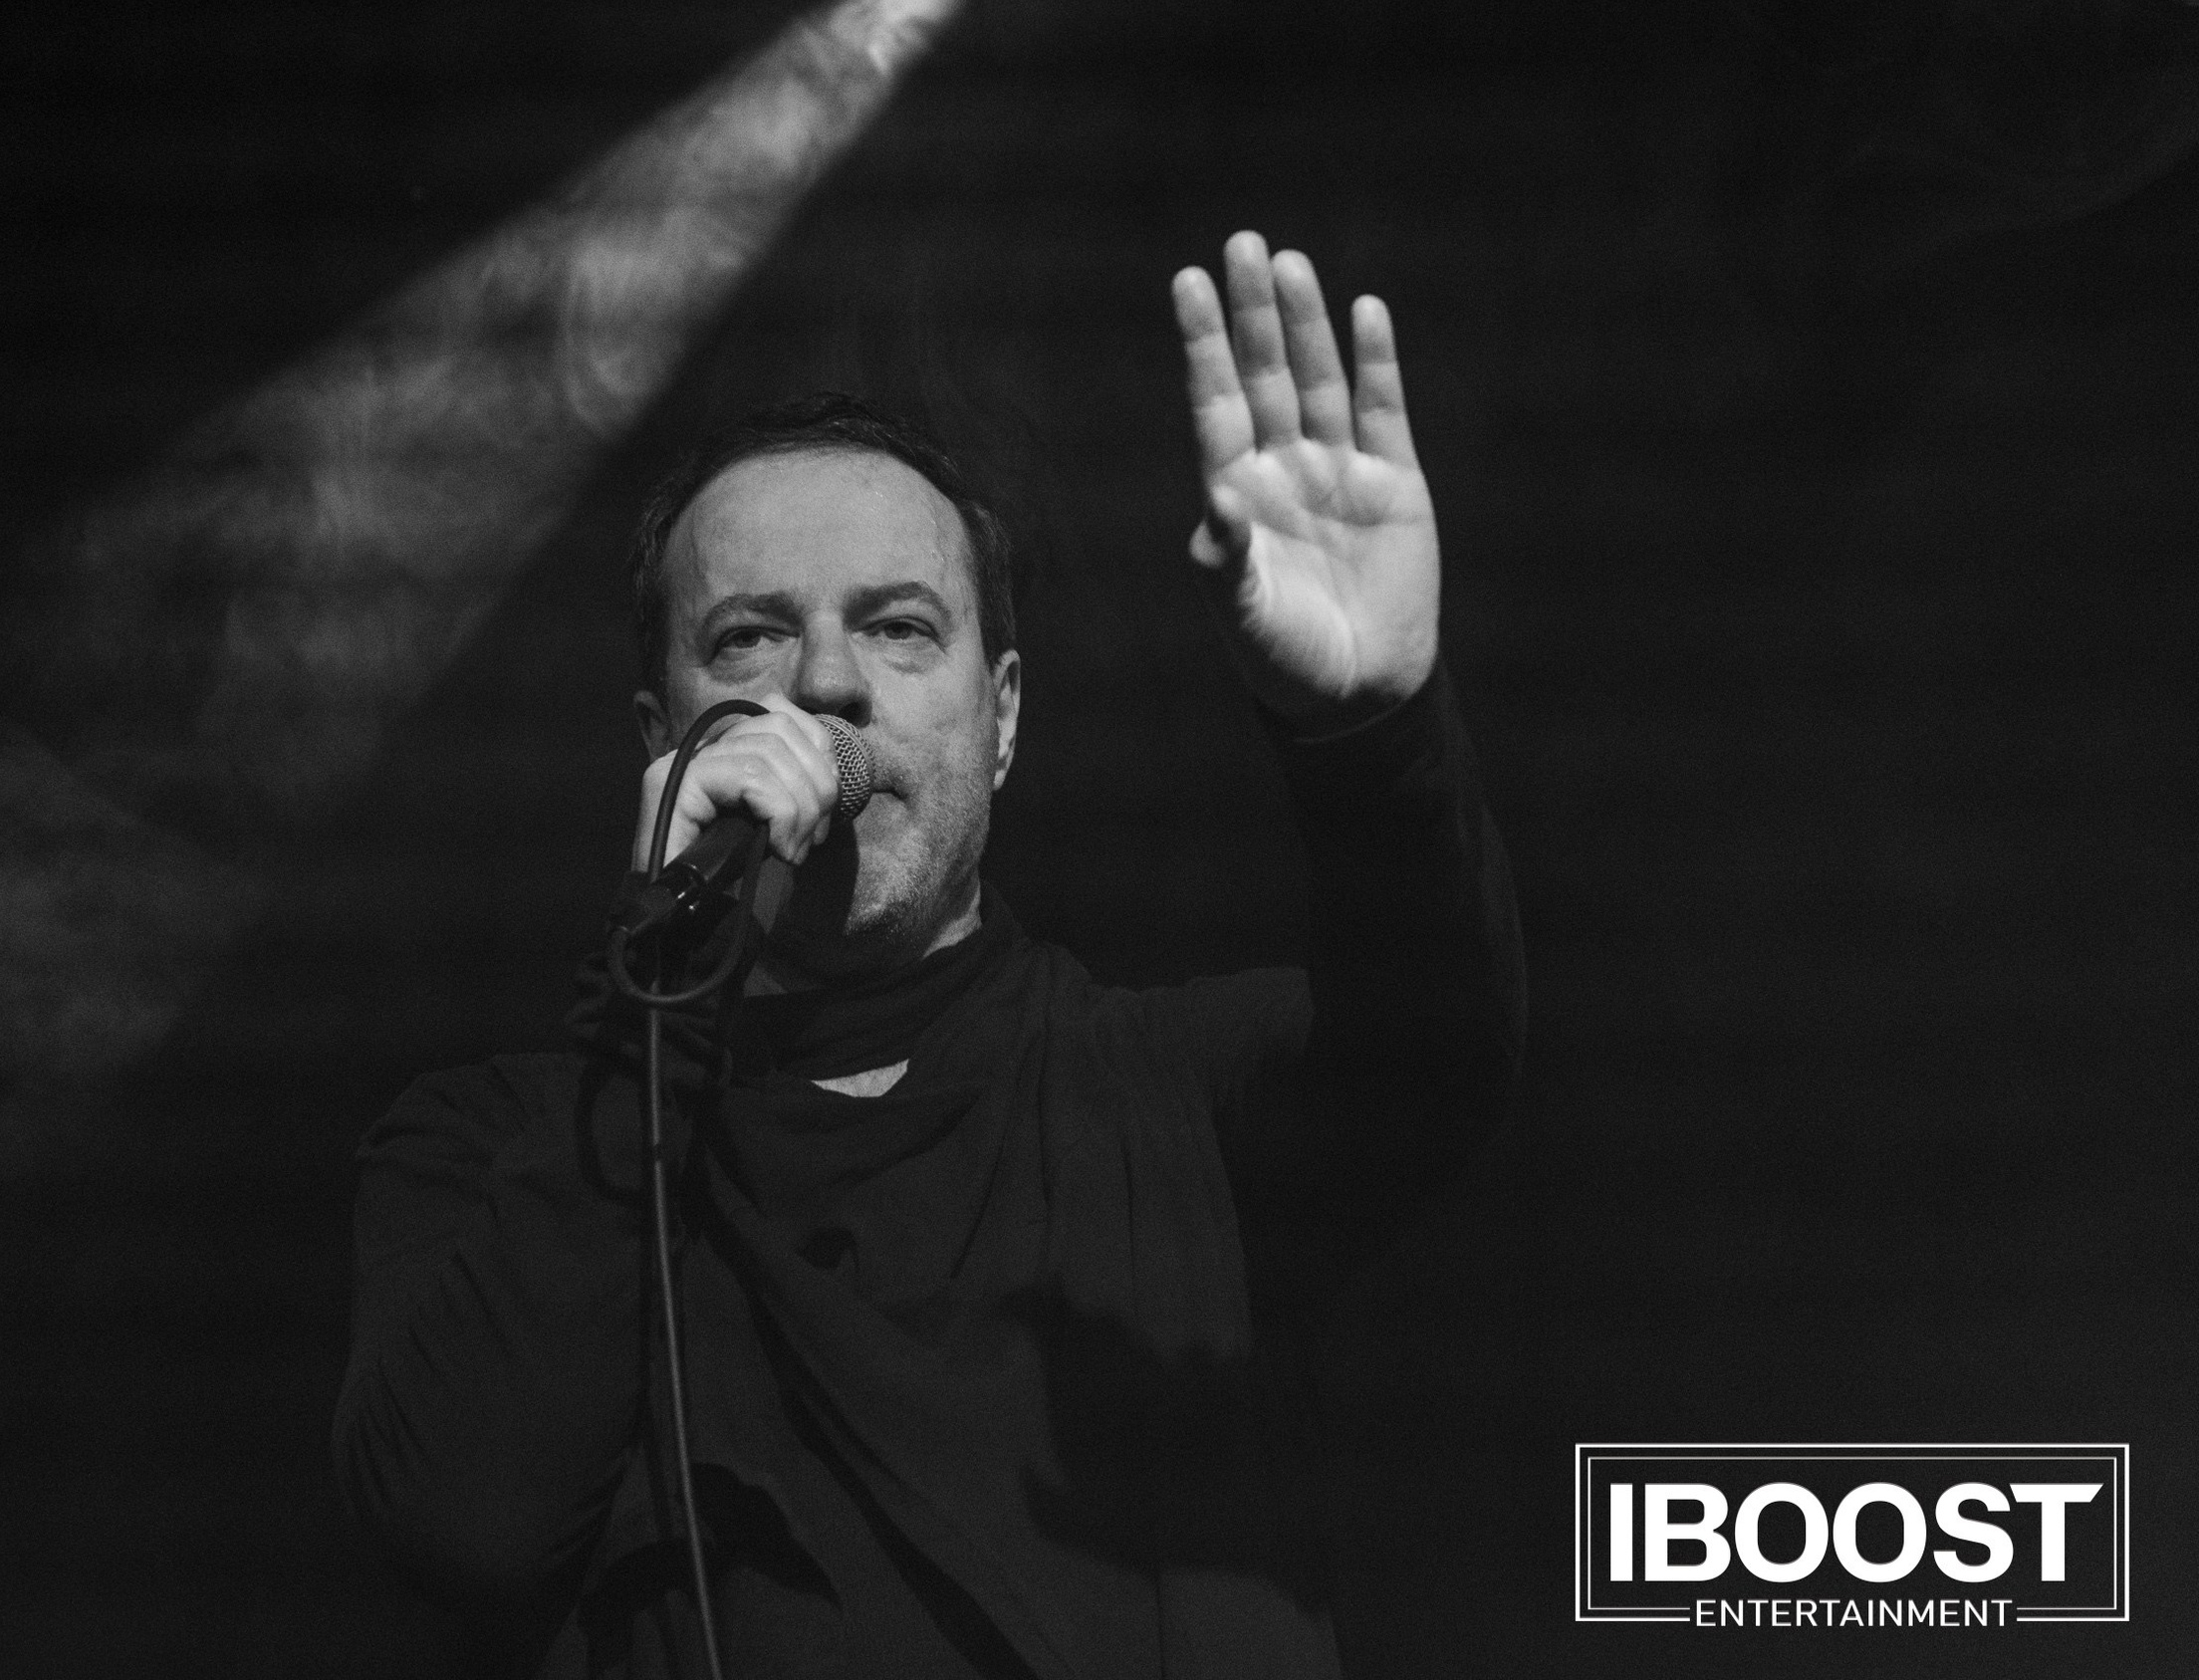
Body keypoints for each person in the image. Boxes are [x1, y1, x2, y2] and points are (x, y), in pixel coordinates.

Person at [333, 232, 1527, 1678]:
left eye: (899, 629)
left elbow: (1441, 1052)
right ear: (659, 735)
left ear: (1004, 716)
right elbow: (467, 1527)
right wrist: (670, 956)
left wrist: (1372, 732)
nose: (826, 684)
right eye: (751, 639)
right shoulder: (510, 1145)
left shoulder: (1171, 1091)